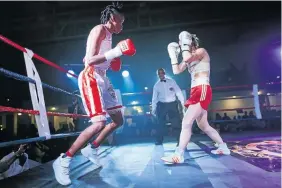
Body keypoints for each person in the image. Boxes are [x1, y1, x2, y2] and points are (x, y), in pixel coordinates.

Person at [53, 2, 136, 186]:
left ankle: (92, 148)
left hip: (103, 78)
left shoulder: (109, 36)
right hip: (90, 76)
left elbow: (100, 58)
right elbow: (89, 60)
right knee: (98, 123)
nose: (122, 26)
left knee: (118, 120)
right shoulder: (99, 29)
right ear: (113, 19)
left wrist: (112, 59)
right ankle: (64, 159)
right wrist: (115, 53)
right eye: (121, 22)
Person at [161, 31, 230, 164]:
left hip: (202, 88)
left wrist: (185, 43)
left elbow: (187, 58)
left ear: (190, 42)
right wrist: (173, 55)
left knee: (186, 122)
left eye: (182, 42)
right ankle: (222, 146)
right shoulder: (188, 58)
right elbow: (176, 71)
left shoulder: (201, 52)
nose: (181, 45)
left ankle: (178, 154)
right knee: (203, 125)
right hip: (196, 90)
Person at [152, 68, 184, 145]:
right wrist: (153, 109)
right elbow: (154, 98)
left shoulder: (171, 81)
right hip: (162, 105)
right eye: (159, 73)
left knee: (176, 123)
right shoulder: (156, 85)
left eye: (162, 73)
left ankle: (180, 141)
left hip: (172, 104)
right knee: (160, 124)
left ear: (164, 73)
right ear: (158, 75)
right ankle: (159, 140)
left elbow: (178, 92)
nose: (161, 74)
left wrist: (183, 103)